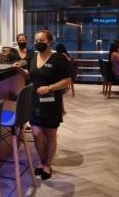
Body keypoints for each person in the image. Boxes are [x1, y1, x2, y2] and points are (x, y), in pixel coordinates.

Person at [15, 30, 70, 180]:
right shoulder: (33, 56)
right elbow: (30, 75)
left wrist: (50, 88)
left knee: (50, 135)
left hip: (52, 103)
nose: (38, 42)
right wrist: (19, 70)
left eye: (42, 40)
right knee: (37, 134)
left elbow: (67, 80)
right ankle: (41, 160)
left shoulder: (58, 59)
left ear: (49, 42)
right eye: (36, 39)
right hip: (35, 102)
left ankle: (47, 164)